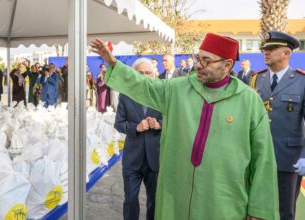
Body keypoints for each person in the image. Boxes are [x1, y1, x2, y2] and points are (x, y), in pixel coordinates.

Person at [91, 34, 279, 220]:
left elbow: (263, 159)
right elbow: (144, 85)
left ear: (227, 65)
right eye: (198, 58)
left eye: (207, 60)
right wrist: (113, 62)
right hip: (178, 197)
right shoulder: (177, 89)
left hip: (223, 200)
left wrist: (259, 210)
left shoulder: (249, 101)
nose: (198, 65)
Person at [249, 30, 305, 220]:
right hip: (257, 155)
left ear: (287, 53)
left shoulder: (301, 81)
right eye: (265, 49)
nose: (266, 52)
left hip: (288, 158)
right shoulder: (256, 79)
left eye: (272, 49)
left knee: (284, 211)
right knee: (256, 208)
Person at [115, 58, 162, 220]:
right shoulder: (125, 96)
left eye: (147, 73)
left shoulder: (161, 95)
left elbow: (173, 120)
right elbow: (118, 124)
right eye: (140, 73)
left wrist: (160, 124)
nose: (144, 76)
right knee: (130, 200)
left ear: (153, 74)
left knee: (154, 201)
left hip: (154, 159)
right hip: (132, 159)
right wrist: (135, 127)